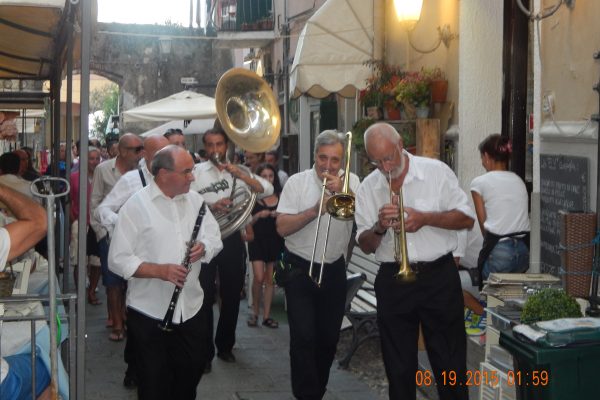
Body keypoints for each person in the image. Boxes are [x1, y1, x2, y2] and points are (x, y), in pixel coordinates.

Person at [354, 122, 475, 400]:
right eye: (377, 161)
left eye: (389, 158)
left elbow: (466, 219)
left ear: (401, 146)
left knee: (450, 363)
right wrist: (379, 227)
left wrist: (425, 218)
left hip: (438, 277)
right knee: (398, 368)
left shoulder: (435, 172)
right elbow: (365, 245)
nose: (385, 167)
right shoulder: (369, 187)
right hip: (393, 280)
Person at [108, 145, 223, 400]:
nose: (192, 177)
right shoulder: (136, 206)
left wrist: (204, 248)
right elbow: (117, 259)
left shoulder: (196, 201)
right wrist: (159, 270)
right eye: (186, 172)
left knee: (190, 375)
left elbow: (215, 238)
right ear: (162, 174)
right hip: (149, 311)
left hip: (191, 307)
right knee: (153, 384)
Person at [276, 130, 360, 400]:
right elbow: (281, 228)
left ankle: (317, 392)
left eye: (335, 160)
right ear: (314, 156)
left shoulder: (353, 182)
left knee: (327, 339)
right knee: (303, 338)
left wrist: (344, 192)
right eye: (323, 158)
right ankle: (306, 396)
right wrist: (314, 210)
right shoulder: (297, 183)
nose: (328, 165)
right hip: (300, 268)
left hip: (334, 268)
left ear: (342, 161)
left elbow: (363, 217)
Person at [191, 127, 273, 369]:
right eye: (211, 145)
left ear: (226, 146)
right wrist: (212, 204)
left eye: (220, 144)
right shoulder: (195, 172)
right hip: (205, 237)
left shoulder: (240, 171)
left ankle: (225, 346)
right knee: (204, 295)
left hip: (231, 239)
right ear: (205, 148)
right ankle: (204, 352)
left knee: (232, 293)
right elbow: (185, 200)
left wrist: (243, 175)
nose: (216, 150)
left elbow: (267, 190)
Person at [95, 134, 169, 388]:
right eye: (159, 154)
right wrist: (125, 225)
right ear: (145, 156)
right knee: (139, 315)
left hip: (166, 260)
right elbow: (102, 210)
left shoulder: (177, 180)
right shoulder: (131, 180)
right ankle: (134, 368)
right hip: (139, 261)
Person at [90, 133, 144, 342]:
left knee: (132, 278)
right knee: (112, 282)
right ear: (122, 151)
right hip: (109, 233)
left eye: (141, 149)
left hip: (136, 235)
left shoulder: (142, 173)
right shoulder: (104, 169)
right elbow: (94, 202)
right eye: (136, 149)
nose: (140, 153)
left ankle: (128, 316)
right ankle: (118, 324)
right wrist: (101, 233)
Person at [470, 134, 530, 281]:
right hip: (524, 251)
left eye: (482, 158)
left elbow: (484, 228)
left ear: (486, 156)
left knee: (492, 297)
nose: (482, 162)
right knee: (512, 295)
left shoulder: (479, 183)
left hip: (500, 251)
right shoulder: (518, 180)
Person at [246, 163, 284, 329]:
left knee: (270, 279)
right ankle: (255, 311)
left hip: (274, 240)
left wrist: (279, 214)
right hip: (257, 240)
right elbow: (246, 222)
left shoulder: (280, 196)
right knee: (258, 277)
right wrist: (259, 215)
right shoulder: (253, 196)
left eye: (271, 176)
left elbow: (287, 217)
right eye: (264, 176)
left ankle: (266, 316)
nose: (268, 179)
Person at [70, 147, 102, 305]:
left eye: (97, 158)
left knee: (97, 261)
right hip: (80, 222)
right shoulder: (74, 177)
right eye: (91, 158)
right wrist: (73, 220)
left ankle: (91, 291)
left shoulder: (102, 177)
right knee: (79, 260)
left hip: (98, 223)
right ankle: (80, 292)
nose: (94, 162)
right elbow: (68, 201)